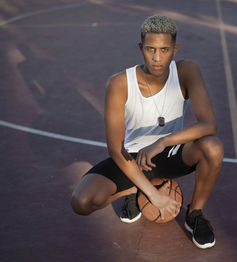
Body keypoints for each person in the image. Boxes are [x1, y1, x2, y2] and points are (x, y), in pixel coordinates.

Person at [70, 14, 224, 249]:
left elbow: (208, 125)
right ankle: (135, 189)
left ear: (175, 48)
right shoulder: (119, 83)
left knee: (213, 147)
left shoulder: (186, 71)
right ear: (141, 48)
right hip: (132, 157)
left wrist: (163, 142)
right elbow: (116, 149)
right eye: (150, 49)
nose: (157, 57)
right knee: (82, 201)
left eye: (164, 49)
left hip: (172, 153)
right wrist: (153, 194)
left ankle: (195, 214)